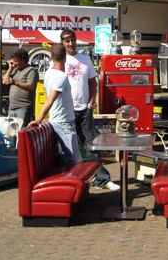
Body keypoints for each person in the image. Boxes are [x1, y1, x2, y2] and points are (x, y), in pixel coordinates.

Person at [60, 29, 118, 190]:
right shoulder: (59, 61)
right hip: (67, 111)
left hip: (85, 109)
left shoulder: (85, 59)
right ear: (62, 43)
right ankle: (80, 179)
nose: (70, 43)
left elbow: (93, 82)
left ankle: (102, 179)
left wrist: (92, 100)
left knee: (91, 143)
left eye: (72, 40)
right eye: (66, 40)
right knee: (73, 147)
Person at [29, 44, 78, 163]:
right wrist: (39, 119)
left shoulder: (49, 73)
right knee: (74, 160)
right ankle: (71, 180)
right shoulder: (60, 76)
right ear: (65, 58)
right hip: (63, 122)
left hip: (56, 120)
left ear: (51, 57)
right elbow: (50, 100)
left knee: (67, 158)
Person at [2, 48, 38, 126]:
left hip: (23, 107)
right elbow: (4, 81)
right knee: (10, 131)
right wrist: (10, 68)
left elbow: (31, 86)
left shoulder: (31, 70)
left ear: (23, 60)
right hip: (12, 107)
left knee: (21, 131)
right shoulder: (15, 70)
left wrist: (14, 82)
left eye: (16, 61)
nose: (14, 63)